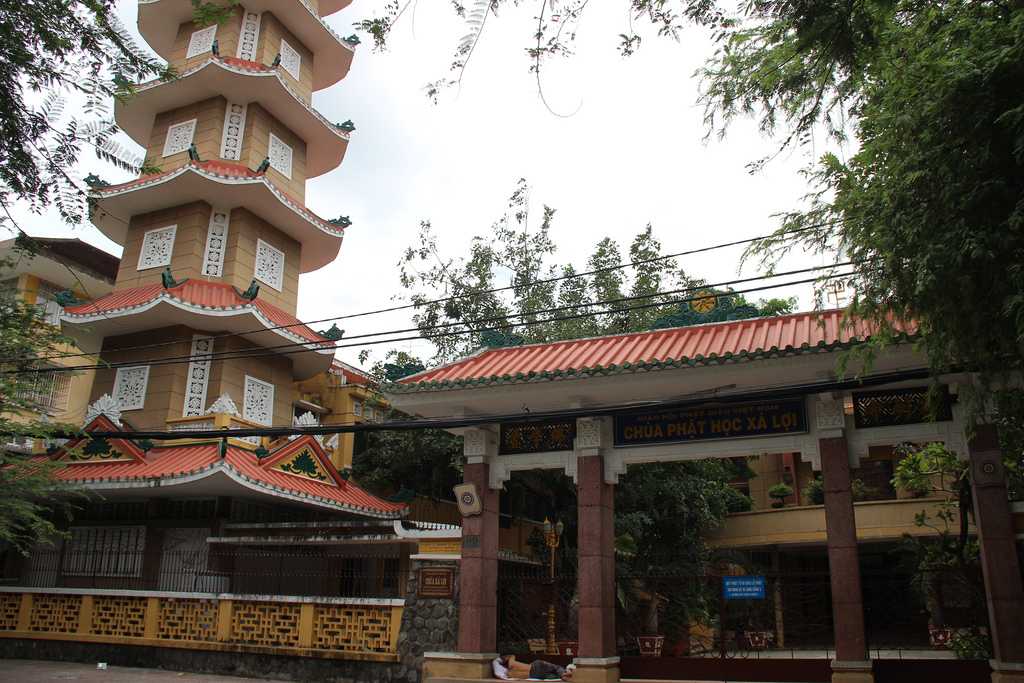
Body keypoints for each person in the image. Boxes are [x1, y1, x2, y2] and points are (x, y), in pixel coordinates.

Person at [492, 655, 574, 680]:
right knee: (555, 671)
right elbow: (511, 656)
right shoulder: (511, 667)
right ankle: (565, 672)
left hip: (536, 670)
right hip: (536, 671)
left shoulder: (509, 671)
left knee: (556, 670)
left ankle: (565, 672)